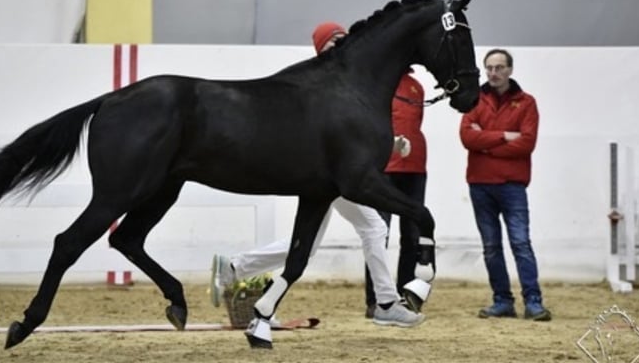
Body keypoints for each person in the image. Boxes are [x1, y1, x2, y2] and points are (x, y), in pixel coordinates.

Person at [209, 21, 424, 328]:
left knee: (313, 244)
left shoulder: (341, 84)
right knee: (372, 229)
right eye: (332, 42)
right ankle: (386, 303)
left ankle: (233, 268)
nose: (339, 45)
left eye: (342, 39)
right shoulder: (322, 84)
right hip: (330, 176)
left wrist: (390, 143)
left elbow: (349, 137)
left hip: (332, 174)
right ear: (320, 50)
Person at [459, 48, 551, 321]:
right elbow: (466, 138)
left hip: (512, 186)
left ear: (510, 70)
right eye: (489, 67)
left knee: (520, 243)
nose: (493, 73)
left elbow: (526, 143)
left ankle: (533, 302)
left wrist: (485, 143)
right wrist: (504, 136)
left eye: (499, 67)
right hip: (480, 185)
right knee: (491, 246)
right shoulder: (472, 100)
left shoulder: (527, 103)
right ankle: (502, 301)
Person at [364, 68, 428, 318]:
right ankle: (376, 298)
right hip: (385, 168)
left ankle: (406, 295)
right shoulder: (376, 80)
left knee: (412, 236)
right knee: (378, 235)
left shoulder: (416, 86)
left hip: (415, 167)